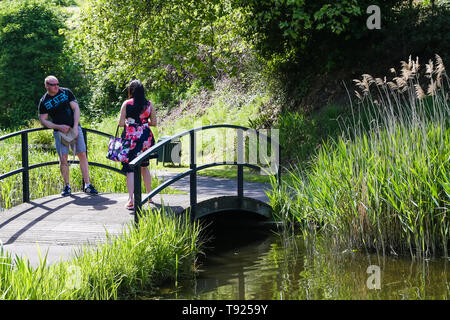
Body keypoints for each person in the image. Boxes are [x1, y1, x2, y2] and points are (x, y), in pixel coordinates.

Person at [38, 75, 98, 196]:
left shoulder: (66, 92)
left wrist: (75, 127)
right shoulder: (44, 101)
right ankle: (67, 186)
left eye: (57, 84)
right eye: (53, 85)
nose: (56, 87)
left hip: (74, 128)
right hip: (60, 132)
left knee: (82, 154)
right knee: (63, 158)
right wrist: (58, 127)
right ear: (47, 86)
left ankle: (87, 185)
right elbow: (43, 120)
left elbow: (76, 109)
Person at [118, 80, 157, 210]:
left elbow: (121, 123)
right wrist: (143, 123)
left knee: (130, 169)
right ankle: (150, 196)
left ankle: (131, 200)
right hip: (145, 137)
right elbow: (154, 122)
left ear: (131, 90)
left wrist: (131, 122)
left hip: (131, 138)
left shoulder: (127, 103)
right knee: (144, 167)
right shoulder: (149, 104)